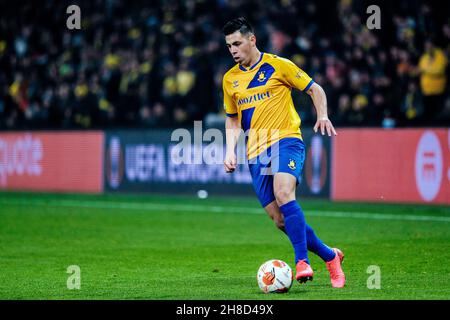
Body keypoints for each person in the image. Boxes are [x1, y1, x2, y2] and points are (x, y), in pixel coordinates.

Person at [221, 17, 345, 287]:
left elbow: (315, 89)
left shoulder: (279, 65)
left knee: (284, 192)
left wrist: (322, 114)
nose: (232, 50)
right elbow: (232, 118)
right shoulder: (230, 80)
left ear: (252, 40)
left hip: (286, 140)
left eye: (237, 43)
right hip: (255, 153)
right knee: (280, 220)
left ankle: (302, 262)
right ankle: (330, 255)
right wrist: (230, 150)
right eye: (229, 45)